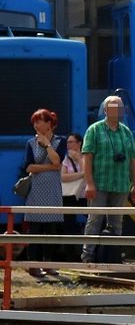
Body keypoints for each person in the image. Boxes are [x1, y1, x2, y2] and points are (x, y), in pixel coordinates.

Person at [81, 96, 135, 264]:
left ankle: (114, 256)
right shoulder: (94, 130)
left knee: (117, 222)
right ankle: (88, 258)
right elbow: (87, 158)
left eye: (119, 108)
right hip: (99, 183)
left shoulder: (126, 132)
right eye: (112, 108)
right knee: (94, 220)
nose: (115, 111)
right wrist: (89, 183)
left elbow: (132, 160)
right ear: (105, 110)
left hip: (120, 184)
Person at [21, 109, 67, 278]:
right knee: (34, 228)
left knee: (51, 228)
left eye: (39, 121)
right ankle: (33, 264)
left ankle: (48, 263)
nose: (35, 125)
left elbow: (58, 160)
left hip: (53, 189)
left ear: (48, 123)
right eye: (34, 122)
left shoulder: (60, 142)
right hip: (36, 189)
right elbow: (29, 167)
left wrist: (47, 145)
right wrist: (50, 168)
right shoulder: (30, 143)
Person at [60, 132, 86, 234]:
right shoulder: (67, 159)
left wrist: (78, 159)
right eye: (67, 142)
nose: (68, 145)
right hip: (70, 194)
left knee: (91, 218)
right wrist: (81, 174)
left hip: (84, 195)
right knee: (68, 221)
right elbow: (63, 177)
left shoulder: (86, 157)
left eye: (71, 142)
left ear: (79, 143)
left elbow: (88, 173)